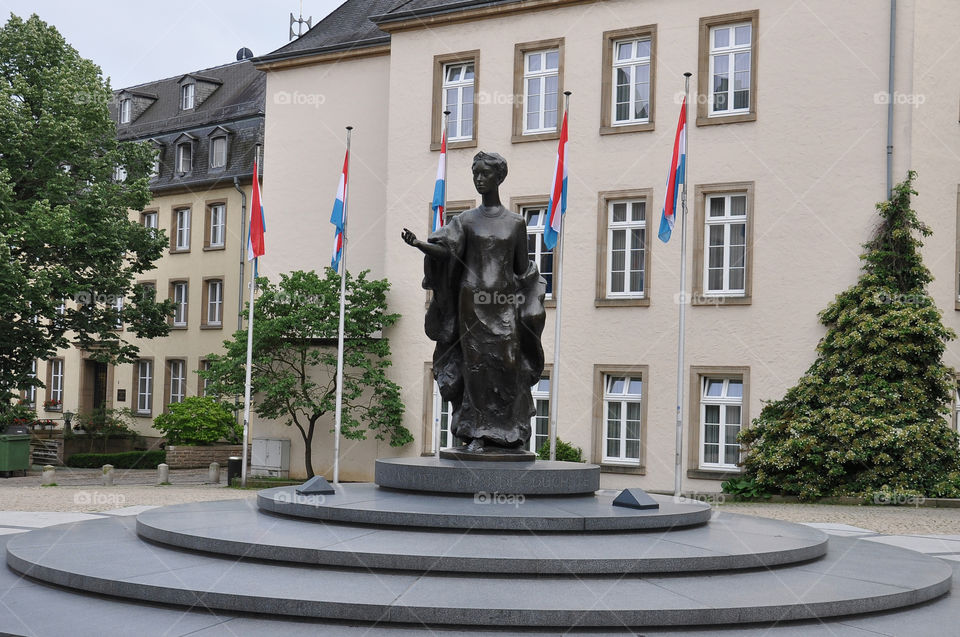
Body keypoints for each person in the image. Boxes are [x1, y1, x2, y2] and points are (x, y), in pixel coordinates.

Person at [402, 151, 545, 453]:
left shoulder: (516, 223)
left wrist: (531, 303)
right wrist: (420, 245)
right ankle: (478, 432)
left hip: (504, 302)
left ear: (498, 177)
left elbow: (522, 269)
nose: (479, 179)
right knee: (477, 368)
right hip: (472, 304)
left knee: (508, 365)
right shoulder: (465, 220)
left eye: (485, 174)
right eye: (475, 173)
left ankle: (511, 433)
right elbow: (448, 252)